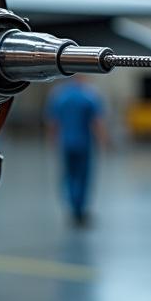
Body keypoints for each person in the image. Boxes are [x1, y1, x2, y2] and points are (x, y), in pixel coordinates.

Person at [47, 76, 106, 228]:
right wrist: (104, 141)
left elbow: (53, 122)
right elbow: (96, 122)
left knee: (69, 176)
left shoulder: (60, 95)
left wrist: (53, 141)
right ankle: (80, 210)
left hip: (66, 143)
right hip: (83, 143)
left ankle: (72, 208)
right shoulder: (88, 96)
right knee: (82, 177)